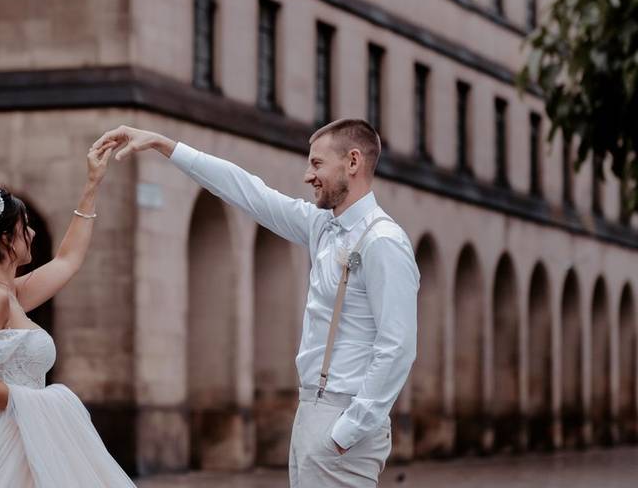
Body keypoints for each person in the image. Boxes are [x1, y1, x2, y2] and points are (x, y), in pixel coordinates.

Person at [92, 119, 419, 488]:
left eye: (317, 164)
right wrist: (165, 145)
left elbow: (397, 347)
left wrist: (349, 429)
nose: (307, 175)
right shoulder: (322, 226)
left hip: (342, 417)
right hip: (313, 412)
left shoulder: (383, 242)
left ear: (353, 162)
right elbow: (248, 191)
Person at [0, 140, 135, 487]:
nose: (34, 233)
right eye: (26, 227)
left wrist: (91, 185)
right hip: (10, 443)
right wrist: (42, 404)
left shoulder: (10, 292)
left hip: (30, 435)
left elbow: (68, 261)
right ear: (7, 239)